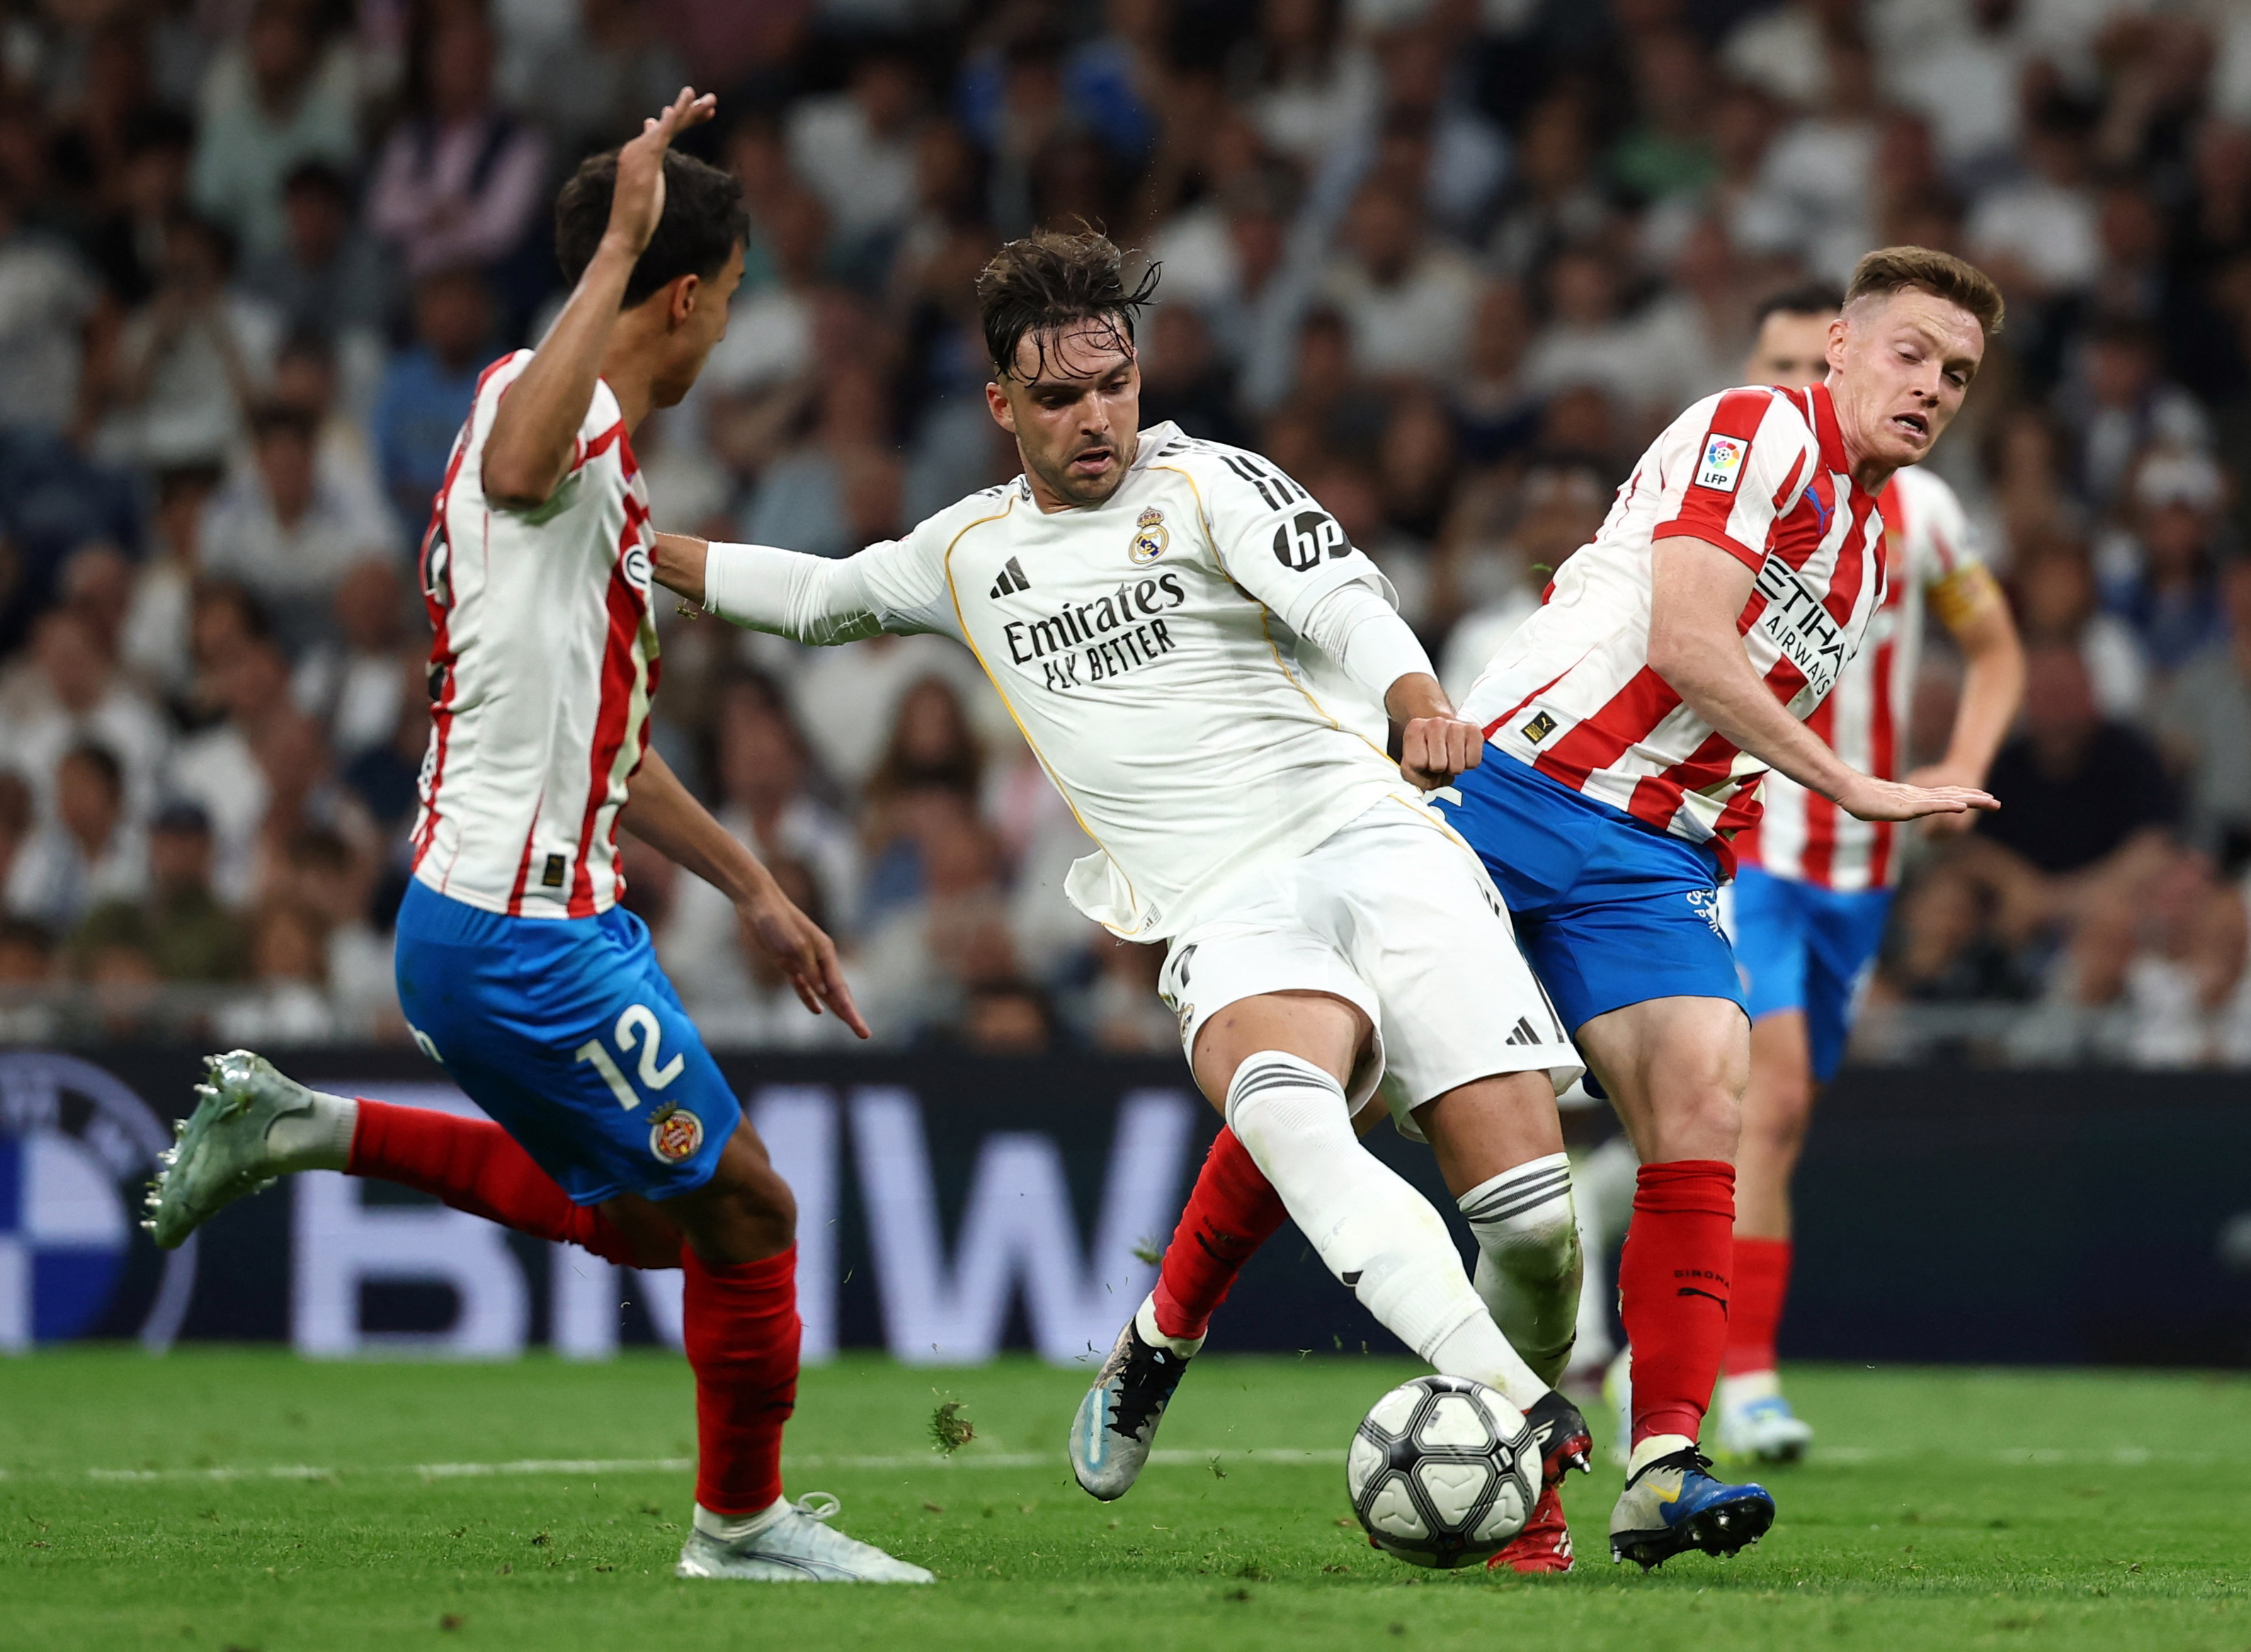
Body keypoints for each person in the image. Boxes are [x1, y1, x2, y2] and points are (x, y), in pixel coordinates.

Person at [654, 228, 1600, 1571]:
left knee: (1538, 1230)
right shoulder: (967, 551)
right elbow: (813, 597)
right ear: (1001, 406)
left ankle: (1167, 1335)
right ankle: (1525, 1450)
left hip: (1374, 841)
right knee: (1294, 1120)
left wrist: (1418, 699)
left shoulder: (1210, 482)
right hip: (1223, 905)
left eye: (1114, 383)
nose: (1095, 416)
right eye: (1057, 396)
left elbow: (1345, 599)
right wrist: (627, 545)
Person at [143, 92, 928, 1588]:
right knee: (750, 1204)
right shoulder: (547, 411)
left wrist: (756, 884)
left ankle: (307, 1126)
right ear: (683, 298)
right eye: (729, 303)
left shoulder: (590, 455)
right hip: (520, 940)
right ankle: (743, 1528)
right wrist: (617, 244)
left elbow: (605, 748)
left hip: (513, 923)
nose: (721, 337)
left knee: (652, 1225)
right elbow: (516, 461)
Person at [1136, 246, 2007, 1571]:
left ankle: (1657, 1459)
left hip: (1654, 860)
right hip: (1516, 792)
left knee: (1703, 1096)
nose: (1932, 387)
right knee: (1341, 1069)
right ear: (1839, 344)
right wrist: (1849, 785)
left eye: (1957, 373)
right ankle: (1165, 1331)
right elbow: (1687, 644)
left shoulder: (1878, 542)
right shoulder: (1753, 427)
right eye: (1911, 353)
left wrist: (1719, 852)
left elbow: (1714, 736)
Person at [1680, 286, 2026, 1462]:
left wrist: (1964, 761)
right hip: (1756, 841)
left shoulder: (1922, 514)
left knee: (1772, 1118)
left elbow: (1995, 647)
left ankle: (1654, 1323)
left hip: (1862, 864)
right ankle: (1743, 1375)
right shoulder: (1743, 477)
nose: (1786, 387)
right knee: (1765, 1105)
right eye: (1771, 363)